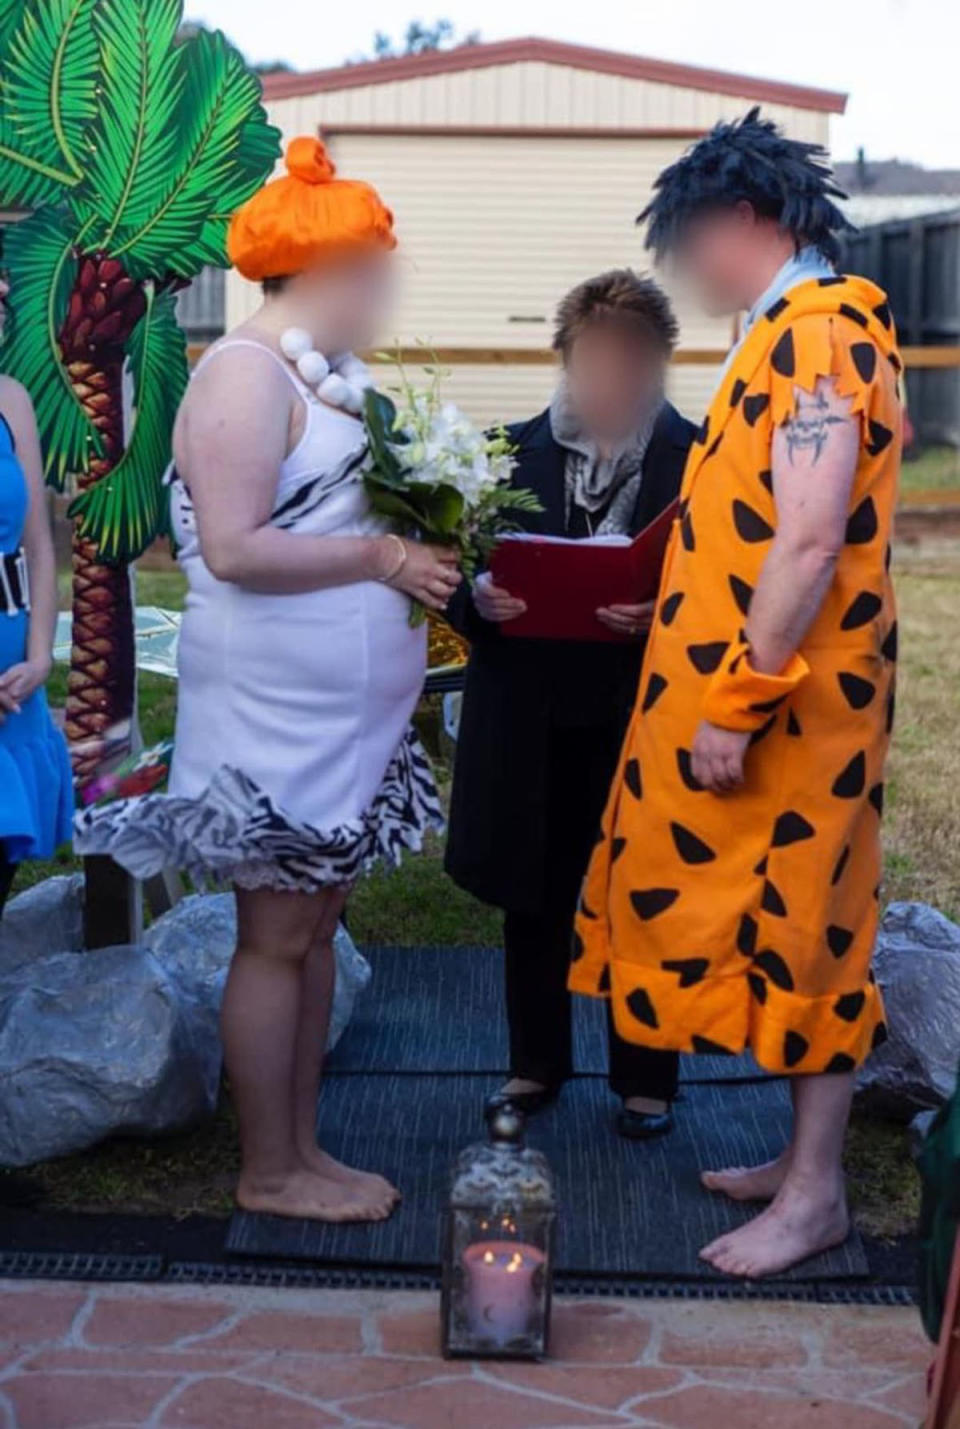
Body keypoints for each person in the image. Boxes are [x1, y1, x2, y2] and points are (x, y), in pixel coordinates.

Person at [76, 138, 460, 1223]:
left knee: (313, 929)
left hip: (341, 720)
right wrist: (389, 559)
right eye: (375, 266)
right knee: (276, 937)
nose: (385, 289)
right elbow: (238, 549)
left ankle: (305, 1148)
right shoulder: (241, 376)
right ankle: (271, 1166)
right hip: (273, 716)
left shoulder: (319, 372)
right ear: (326, 266)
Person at [571, 109, 902, 1277]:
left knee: (809, 928)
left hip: (791, 712)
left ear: (749, 220)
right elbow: (753, 523)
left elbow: (807, 544)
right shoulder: (788, 332)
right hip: (767, 695)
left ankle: (814, 1197)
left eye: (691, 240)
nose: (685, 268)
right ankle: (795, 1164)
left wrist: (737, 698)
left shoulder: (818, 338)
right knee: (780, 922)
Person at [445, 270, 696, 1138]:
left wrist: (662, 612)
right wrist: (481, 603)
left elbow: (729, 593)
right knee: (536, 893)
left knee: (647, 889)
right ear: (565, 359)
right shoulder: (503, 453)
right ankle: (536, 1063)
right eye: (595, 359)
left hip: (643, 714)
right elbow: (453, 582)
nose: (612, 379)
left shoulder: (699, 461)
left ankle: (646, 1077)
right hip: (529, 713)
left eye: (632, 362)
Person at [0, 262, 74, 917]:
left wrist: (42, 651)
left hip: (11, 671)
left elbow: (38, 545)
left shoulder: (12, 398)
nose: (3, 291)